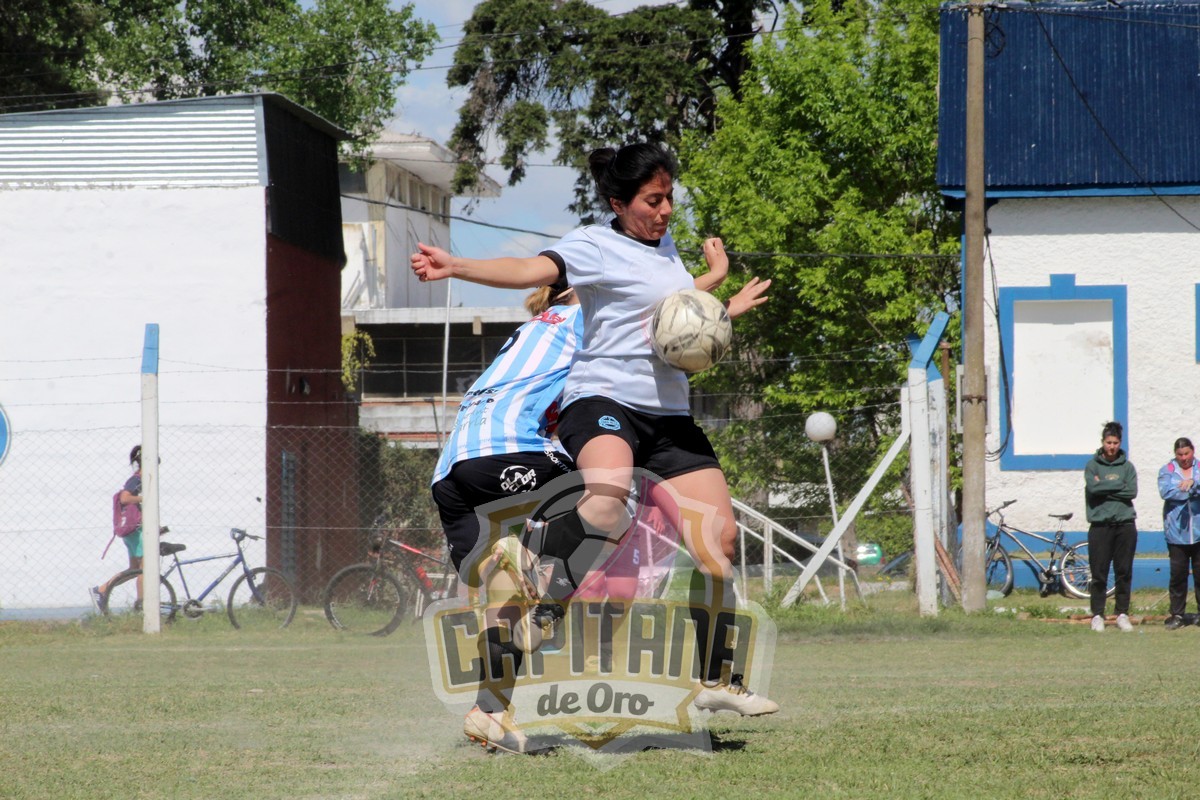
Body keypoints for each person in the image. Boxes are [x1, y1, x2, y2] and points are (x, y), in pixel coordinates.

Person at [412, 142, 776, 718]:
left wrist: (717, 286)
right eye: (652, 201)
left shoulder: (666, 251)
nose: (665, 211)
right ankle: (541, 587)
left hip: (668, 417)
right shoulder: (592, 244)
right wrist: (457, 266)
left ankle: (717, 679)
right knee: (606, 501)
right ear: (618, 203)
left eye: (669, 198)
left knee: (720, 544)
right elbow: (529, 270)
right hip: (602, 401)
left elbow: (663, 312)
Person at [441, 264, 728, 754]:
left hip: (451, 471)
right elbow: (663, 307)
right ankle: (541, 578)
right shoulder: (585, 318)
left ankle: (488, 711)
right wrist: (714, 279)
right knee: (609, 502)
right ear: (581, 292)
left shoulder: (537, 326)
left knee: (503, 591)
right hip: (510, 448)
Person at [1084, 421, 1138, 632]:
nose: (1112, 447)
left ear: (1120, 443)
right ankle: (1097, 614)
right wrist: (1118, 486)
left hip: (1125, 525)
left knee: (1124, 571)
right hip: (1100, 526)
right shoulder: (1092, 466)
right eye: (1108, 442)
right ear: (1102, 442)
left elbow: (1131, 492)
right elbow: (1093, 489)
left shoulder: (1127, 467)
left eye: (1115, 443)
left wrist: (1103, 486)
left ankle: (1122, 613)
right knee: (1099, 573)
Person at [90, 445, 144, 613]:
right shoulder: (137, 480)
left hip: (133, 532)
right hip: (137, 532)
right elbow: (125, 498)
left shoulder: (139, 479)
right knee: (145, 571)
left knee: (134, 570)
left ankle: (102, 590)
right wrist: (145, 497)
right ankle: (144, 607)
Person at [1157, 437, 1200, 630]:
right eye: (1180, 454)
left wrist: (1193, 484)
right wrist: (1191, 490)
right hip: (1176, 534)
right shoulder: (1167, 470)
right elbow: (1166, 492)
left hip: (1198, 533)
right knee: (1178, 576)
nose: (1184, 458)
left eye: (1187, 453)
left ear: (1193, 451)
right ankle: (1177, 614)